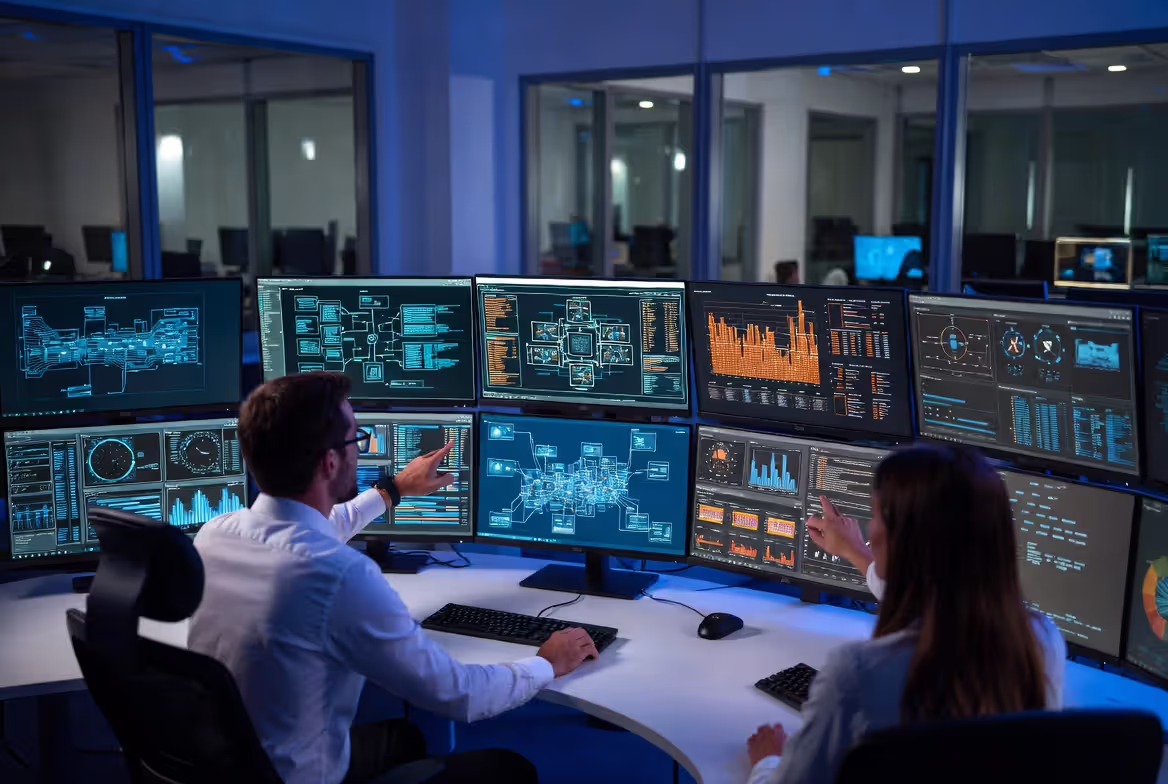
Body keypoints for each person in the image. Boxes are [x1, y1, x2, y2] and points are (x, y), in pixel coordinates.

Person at [189, 373, 597, 784]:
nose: (358, 450)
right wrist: (546, 663)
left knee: (406, 737)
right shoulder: (339, 576)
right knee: (508, 769)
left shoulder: (215, 535)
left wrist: (392, 490)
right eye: (356, 440)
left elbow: (309, 529)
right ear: (331, 462)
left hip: (237, 763)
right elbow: (459, 694)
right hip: (303, 776)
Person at [745, 445, 1066, 784]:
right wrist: (854, 552)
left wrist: (766, 761)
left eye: (879, 514)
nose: (871, 530)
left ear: (907, 541)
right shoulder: (1042, 641)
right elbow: (934, 597)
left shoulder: (857, 673)